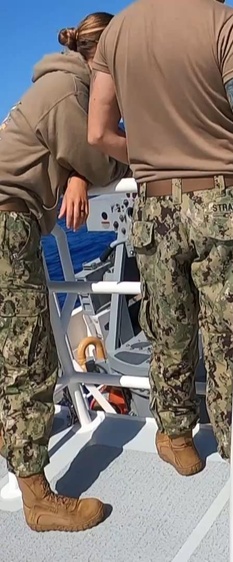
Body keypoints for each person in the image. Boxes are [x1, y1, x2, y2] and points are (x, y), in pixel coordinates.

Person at [88, 0, 233, 474]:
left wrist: (152, 154)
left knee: (169, 329)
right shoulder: (226, 22)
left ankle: (176, 437)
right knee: (231, 336)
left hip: (154, 206)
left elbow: (97, 133)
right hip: (224, 205)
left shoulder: (119, 30)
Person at [0, 12, 130, 532]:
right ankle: (38, 500)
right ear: (102, 59)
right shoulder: (67, 93)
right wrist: (85, 168)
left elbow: (78, 149)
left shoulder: (54, 87)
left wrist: (73, 167)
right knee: (28, 359)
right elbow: (103, 157)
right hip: (8, 223)